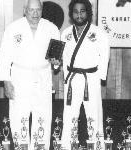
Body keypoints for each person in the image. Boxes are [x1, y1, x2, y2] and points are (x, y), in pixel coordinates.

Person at [0, 0, 60, 149]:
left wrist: (56, 61)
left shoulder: (52, 28)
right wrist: (6, 81)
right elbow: (5, 56)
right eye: (31, 10)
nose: (35, 13)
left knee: (43, 116)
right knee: (19, 116)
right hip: (20, 77)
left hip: (43, 77)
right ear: (25, 10)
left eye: (38, 10)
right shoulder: (13, 28)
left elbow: (56, 60)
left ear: (42, 10)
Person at [60, 0, 110, 149]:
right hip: (73, 79)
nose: (79, 14)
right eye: (76, 11)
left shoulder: (98, 33)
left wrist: (100, 77)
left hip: (91, 78)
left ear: (88, 12)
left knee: (94, 114)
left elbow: (105, 55)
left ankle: (97, 146)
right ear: (71, 14)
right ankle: (67, 146)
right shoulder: (66, 33)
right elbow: (61, 58)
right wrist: (64, 74)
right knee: (69, 115)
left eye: (82, 11)